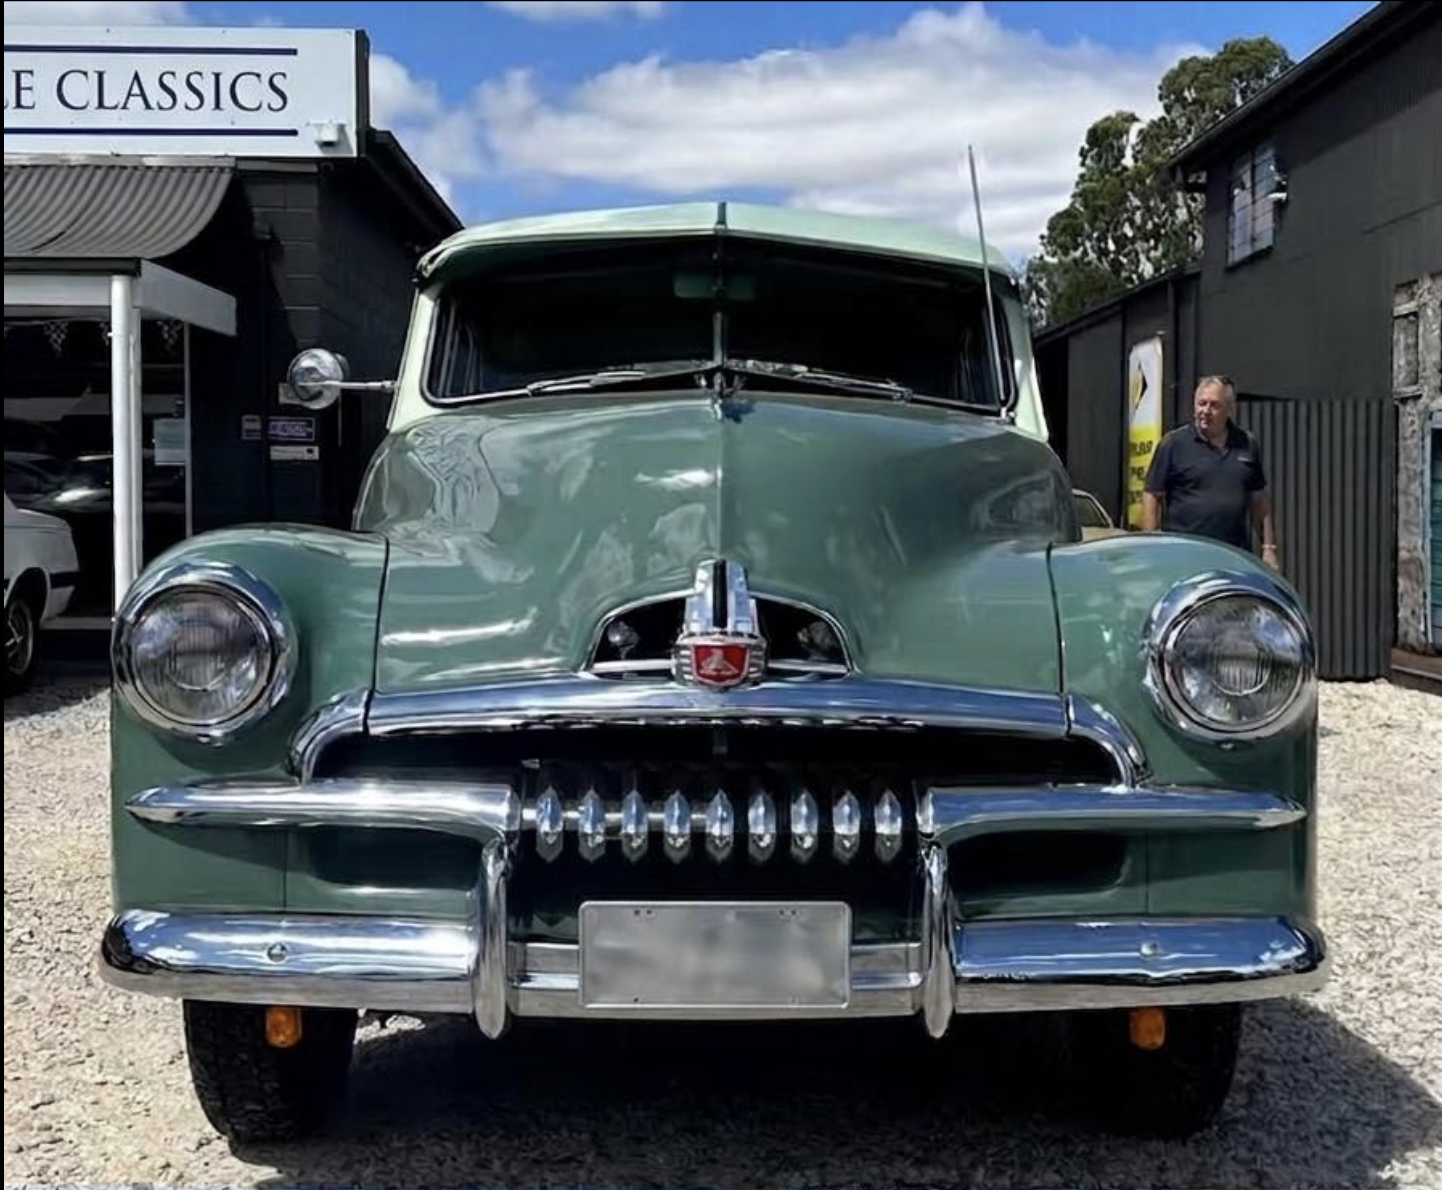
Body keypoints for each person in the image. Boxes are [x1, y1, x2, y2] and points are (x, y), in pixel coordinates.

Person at [1141, 375, 1279, 570]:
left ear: (1230, 409)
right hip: (1185, 557)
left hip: (1234, 556)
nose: (1205, 411)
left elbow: (1259, 500)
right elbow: (1151, 494)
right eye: (1201, 404)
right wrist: (1152, 545)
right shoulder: (1174, 444)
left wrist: (1269, 549)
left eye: (1214, 405)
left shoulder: (1247, 444)